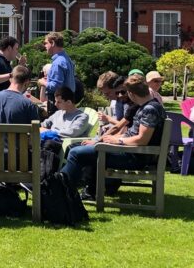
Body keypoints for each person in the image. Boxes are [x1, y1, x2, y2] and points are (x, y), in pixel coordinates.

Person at [61, 73, 166, 201]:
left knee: (76, 152)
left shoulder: (149, 109)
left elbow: (142, 140)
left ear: (132, 94)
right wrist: (104, 140)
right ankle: (71, 189)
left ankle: (62, 189)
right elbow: (132, 134)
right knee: (80, 149)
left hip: (134, 157)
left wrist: (115, 140)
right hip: (129, 152)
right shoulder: (147, 106)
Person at [37, 32, 75, 116]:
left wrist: (43, 82)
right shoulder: (66, 58)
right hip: (67, 102)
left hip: (58, 104)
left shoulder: (58, 62)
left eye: (46, 43)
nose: (45, 46)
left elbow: (56, 86)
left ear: (53, 43)